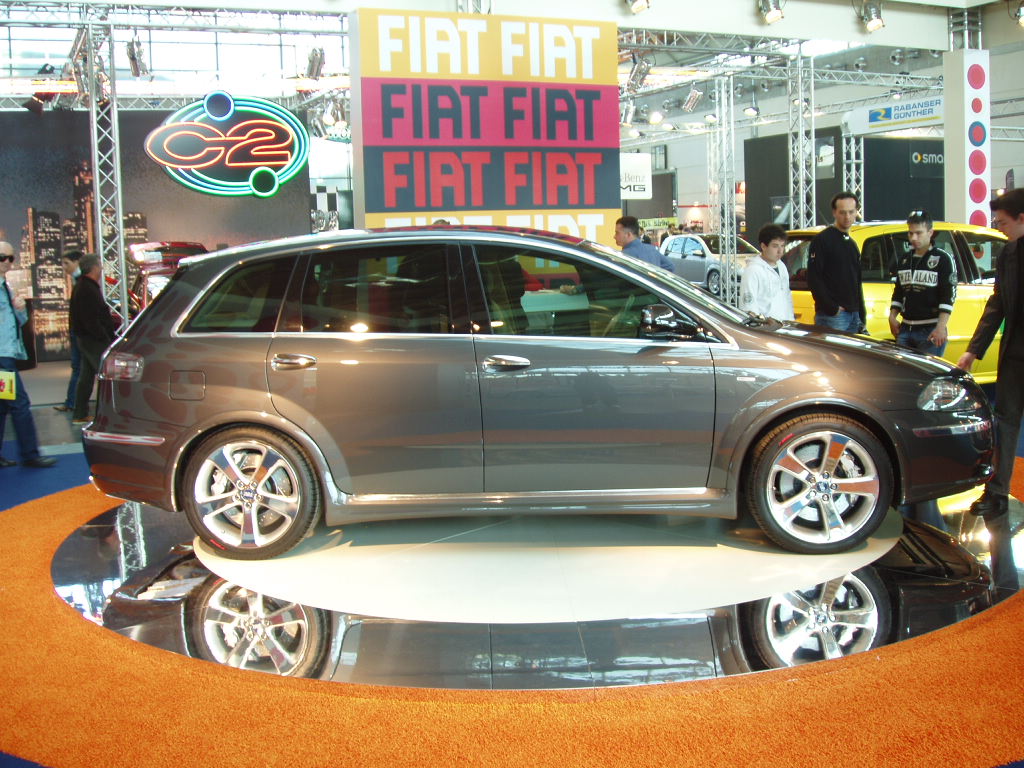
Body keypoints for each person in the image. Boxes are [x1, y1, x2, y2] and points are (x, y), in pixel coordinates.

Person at [956, 188, 1024, 594]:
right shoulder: (1008, 254)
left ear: (1020, 217)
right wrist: (973, 351)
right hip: (1014, 356)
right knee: (1006, 421)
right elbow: (996, 305)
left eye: (1001, 221)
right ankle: (997, 490)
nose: (996, 226)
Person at [0, 241, 57, 468]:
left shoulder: (7, 286)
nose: (7, 262)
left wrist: (21, 310)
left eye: (10, 258)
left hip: (7, 353)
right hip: (2, 357)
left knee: (4, 406)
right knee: (19, 404)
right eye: (2, 257)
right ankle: (30, 454)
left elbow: (17, 322)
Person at [888, 210, 956, 356]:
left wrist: (941, 327)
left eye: (919, 233)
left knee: (927, 376)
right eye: (910, 233)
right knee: (903, 375)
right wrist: (892, 316)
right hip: (905, 329)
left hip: (930, 330)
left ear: (930, 232)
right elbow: (899, 291)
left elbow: (948, 295)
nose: (913, 237)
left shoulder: (943, 259)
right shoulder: (904, 260)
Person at [807, 191, 866, 332]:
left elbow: (857, 282)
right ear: (834, 212)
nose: (847, 217)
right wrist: (831, 308)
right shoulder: (822, 240)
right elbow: (813, 278)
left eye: (851, 212)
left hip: (853, 314)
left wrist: (861, 314)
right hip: (833, 316)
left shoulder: (852, 244)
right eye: (842, 212)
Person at [69, 252, 115, 425]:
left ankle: (80, 413)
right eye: (100, 266)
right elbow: (91, 319)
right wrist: (103, 337)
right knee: (107, 375)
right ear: (94, 268)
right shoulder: (86, 288)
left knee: (86, 377)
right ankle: (110, 413)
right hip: (93, 340)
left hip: (87, 338)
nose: (102, 269)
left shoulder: (84, 286)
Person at [740, 223, 794, 321]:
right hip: (766, 329)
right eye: (775, 246)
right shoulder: (753, 270)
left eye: (782, 246)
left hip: (784, 327)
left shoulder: (781, 266)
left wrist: (790, 321)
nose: (780, 251)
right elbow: (749, 306)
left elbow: (787, 297)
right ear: (763, 246)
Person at [54, 249, 83, 413]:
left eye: (67, 263)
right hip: (77, 332)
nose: (64, 267)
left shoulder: (82, 282)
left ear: (77, 262)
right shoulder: (77, 281)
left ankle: (74, 404)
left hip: (79, 333)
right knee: (79, 368)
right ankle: (73, 403)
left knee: (79, 368)